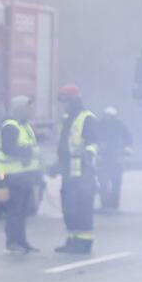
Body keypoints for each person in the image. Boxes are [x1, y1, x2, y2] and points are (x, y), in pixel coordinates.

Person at [0, 96, 42, 254]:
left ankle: (22, 241)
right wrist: (27, 153)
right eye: (27, 108)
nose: (30, 111)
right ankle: (12, 242)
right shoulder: (10, 126)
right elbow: (9, 149)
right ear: (19, 109)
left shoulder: (26, 126)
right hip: (14, 176)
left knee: (23, 211)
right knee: (14, 211)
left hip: (26, 176)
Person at [54, 84, 97, 255]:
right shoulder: (68, 119)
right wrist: (57, 165)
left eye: (65, 101)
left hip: (83, 174)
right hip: (69, 172)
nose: (63, 105)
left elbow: (94, 143)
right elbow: (65, 147)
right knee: (69, 209)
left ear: (73, 101)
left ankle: (84, 241)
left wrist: (87, 155)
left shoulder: (87, 118)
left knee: (82, 209)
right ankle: (73, 239)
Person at [93, 106, 132, 212]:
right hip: (103, 159)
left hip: (116, 159)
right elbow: (93, 140)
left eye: (111, 117)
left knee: (116, 182)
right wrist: (96, 153)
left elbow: (128, 140)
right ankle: (105, 205)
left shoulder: (120, 126)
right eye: (107, 116)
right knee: (103, 183)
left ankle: (114, 205)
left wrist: (126, 151)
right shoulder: (99, 127)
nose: (109, 118)